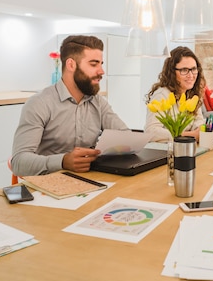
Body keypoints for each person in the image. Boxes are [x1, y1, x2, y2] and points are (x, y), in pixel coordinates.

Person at [11, 35, 129, 176]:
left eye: (101, 64)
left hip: (88, 181)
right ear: (71, 65)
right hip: (47, 186)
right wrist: (62, 161)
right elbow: (19, 162)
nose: (101, 71)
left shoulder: (98, 102)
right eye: (93, 64)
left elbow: (125, 136)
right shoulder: (39, 103)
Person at [144, 46, 205, 142]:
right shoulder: (162, 95)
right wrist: (187, 135)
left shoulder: (192, 94)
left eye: (193, 69)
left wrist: (201, 130)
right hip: (166, 153)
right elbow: (151, 132)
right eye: (184, 70)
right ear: (172, 72)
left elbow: (199, 124)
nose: (191, 75)